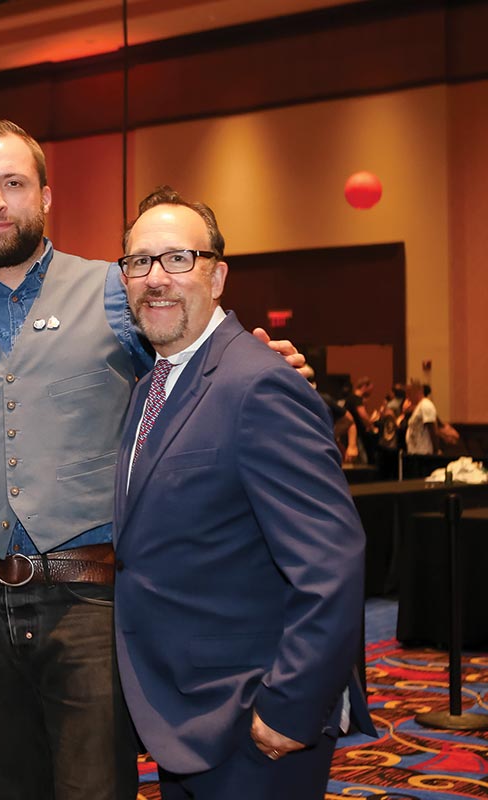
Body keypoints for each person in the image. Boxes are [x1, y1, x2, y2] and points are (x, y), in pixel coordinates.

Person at [0, 120, 305, 800]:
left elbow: (192, 371)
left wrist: (261, 367)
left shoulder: (116, 287)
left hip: (91, 600)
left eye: (14, 184)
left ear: (46, 197)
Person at [112, 187, 374, 799]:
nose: (156, 278)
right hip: (182, 717)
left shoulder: (260, 384)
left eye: (178, 259)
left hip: (255, 719)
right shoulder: (150, 387)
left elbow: (331, 565)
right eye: (138, 262)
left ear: (218, 275)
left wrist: (290, 705)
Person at [405, 380, 440, 455]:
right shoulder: (418, 407)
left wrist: (436, 450)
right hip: (415, 453)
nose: (408, 398)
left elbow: (432, 429)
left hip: (423, 453)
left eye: (409, 394)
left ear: (418, 391)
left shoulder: (426, 405)